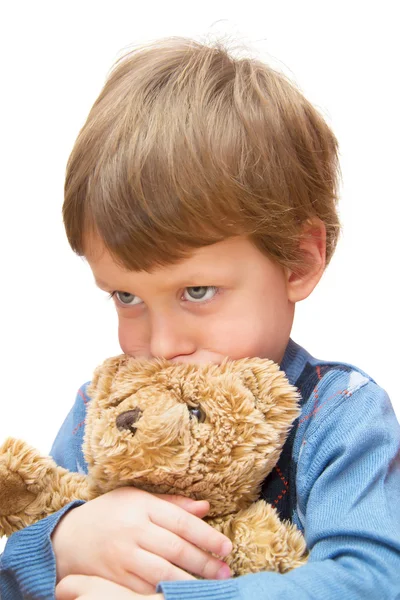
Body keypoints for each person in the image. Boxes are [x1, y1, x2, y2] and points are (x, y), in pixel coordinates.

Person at [1, 36, 399, 600]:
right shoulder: (103, 408)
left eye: (197, 290)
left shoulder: (339, 414)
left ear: (299, 261)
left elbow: (373, 581)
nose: (161, 345)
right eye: (126, 297)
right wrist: (62, 542)